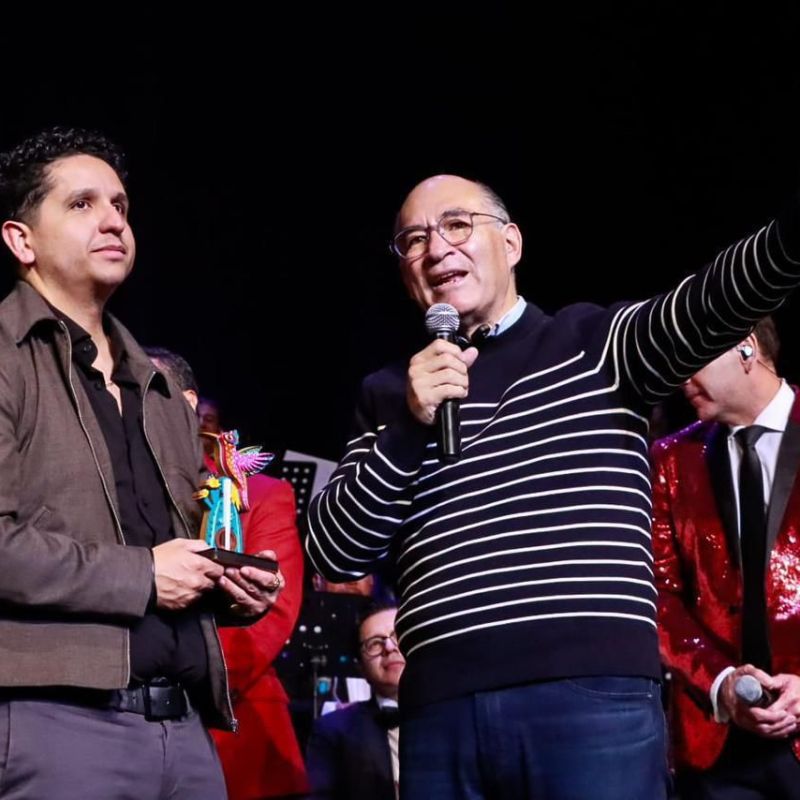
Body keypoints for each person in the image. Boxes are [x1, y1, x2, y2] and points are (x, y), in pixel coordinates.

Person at [305, 173, 800, 798]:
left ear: (511, 242)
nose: (436, 248)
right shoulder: (388, 394)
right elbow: (334, 550)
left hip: (590, 704)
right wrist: (409, 426)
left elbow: (713, 301)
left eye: (457, 225)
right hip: (439, 714)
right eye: (414, 239)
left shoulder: (599, 345)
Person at [0, 127, 283, 800]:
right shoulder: (6, 362)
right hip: (54, 722)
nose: (113, 222)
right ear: (21, 240)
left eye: (120, 206)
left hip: (184, 731)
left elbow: (177, 554)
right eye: (82, 204)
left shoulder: (158, 390)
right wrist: (144, 575)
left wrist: (230, 587)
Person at [146, 346, 309, 799]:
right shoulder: (105, 491)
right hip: (119, 732)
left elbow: (272, 613)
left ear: (188, 404)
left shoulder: (260, 493)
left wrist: (180, 682)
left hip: (235, 728)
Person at [652, 318, 800, 798]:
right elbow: (658, 595)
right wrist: (721, 682)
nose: (679, 377)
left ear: (745, 347)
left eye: (689, 358)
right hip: (718, 750)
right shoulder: (671, 459)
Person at [306, 602, 405, 800]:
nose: (389, 647)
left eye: (398, 636)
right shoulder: (333, 730)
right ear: (361, 668)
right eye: (375, 643)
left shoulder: (458, 716)